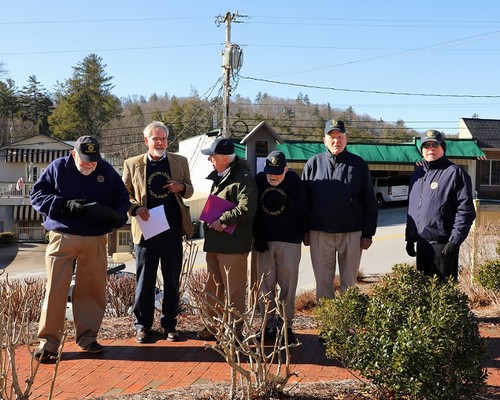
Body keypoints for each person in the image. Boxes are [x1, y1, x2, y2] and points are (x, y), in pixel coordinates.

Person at [30, 135, 130, 362]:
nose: (89, 165)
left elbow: (122, 198)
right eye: (85, 160)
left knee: (92, 290)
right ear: (74, 154)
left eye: (93, 161)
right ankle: (48, 343)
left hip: (95, 239)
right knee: (55, 290)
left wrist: (115, 215)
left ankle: (87, 337)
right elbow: (36, 195)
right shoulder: (57, 167)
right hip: (63, 237)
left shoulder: (105, 170)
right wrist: (62, 205)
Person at [122, 121, 194, 343]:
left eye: (164, 139)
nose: (161, 143)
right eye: (156, 139)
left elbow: (190, 189)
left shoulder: (179, 161)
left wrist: (181, 187)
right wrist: (136, 208)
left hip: (172, 230)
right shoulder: (132, 164)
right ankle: (142, 326)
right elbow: (124, 194)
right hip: (146, 232)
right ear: (147, 141)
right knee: (145, 281)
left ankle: (169, 325)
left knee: (172, 280)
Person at [302, 119, 378, 301]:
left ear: (346, 139)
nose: (336, 141)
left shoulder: (358, 165)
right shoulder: (313, 164)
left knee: (349, 282)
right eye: (332, 137)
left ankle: (347, 324)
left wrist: (368, 232)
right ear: (324, 140)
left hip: (351, 233)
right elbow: (303, 201)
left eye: (340, 136)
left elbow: (369, 200)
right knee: (323, 282)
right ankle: (328, 325)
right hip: (320, 232)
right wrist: (304, 230)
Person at [197, 137, 258, 340]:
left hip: (233, 246)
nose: (209, 160)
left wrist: (222, 221)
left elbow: (247, 208)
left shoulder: (244, 177)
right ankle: (213, 326)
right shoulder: (220, 175)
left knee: (234, 290)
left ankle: (235, 330)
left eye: (212, 156)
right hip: (215, 243)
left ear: (224, 157)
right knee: (213, 287)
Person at [253, 151, 309, 342]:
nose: (273, 176)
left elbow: (304, 209)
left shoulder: (294, 181)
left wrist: (288, 202)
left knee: (288, 286)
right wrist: (257, 235)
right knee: (265, 287)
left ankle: (287, 326)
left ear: (285, 169)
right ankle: (268, 326)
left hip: (289, 240)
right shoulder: (259, 180)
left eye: (277, 172)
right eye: (269, 171)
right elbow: (253, 210)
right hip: (265, 241)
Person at [405, 129, 476, 280]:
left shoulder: (454, 173)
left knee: (443, 296)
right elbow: (412, 209)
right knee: (424, 294)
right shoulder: (417, 175)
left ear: (443, 147)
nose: (430, 149)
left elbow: (466, 211)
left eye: (435, 145)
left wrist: (454, 241)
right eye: (426, 146)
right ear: (422, 150)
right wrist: (410, 237)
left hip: (443, 246)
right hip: (422, 245)